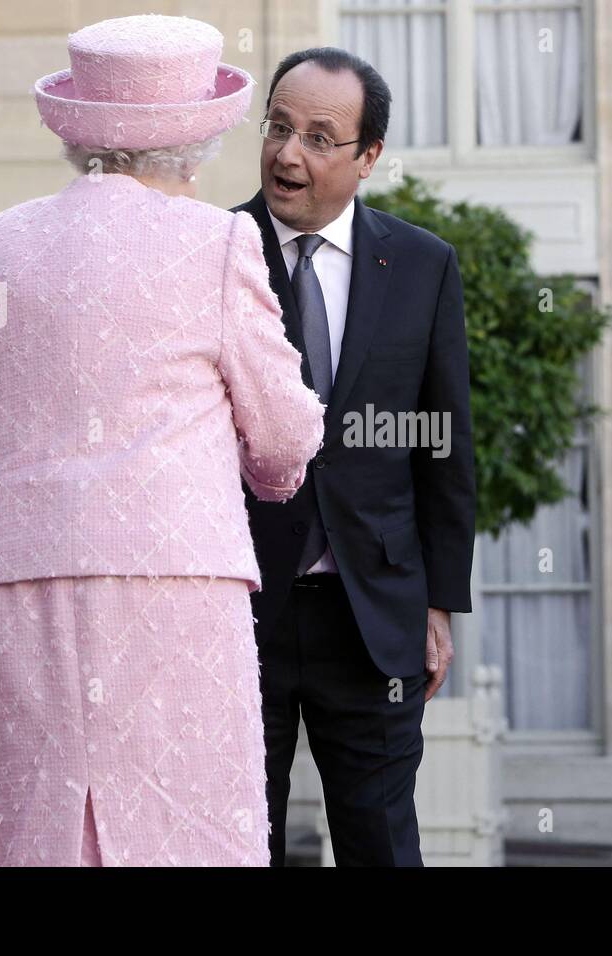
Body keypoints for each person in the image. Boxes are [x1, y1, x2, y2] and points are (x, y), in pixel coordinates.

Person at [0, 14, 324, 866]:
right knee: (190, 834)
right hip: (178, 583)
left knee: (45, 833)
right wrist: (273, 476)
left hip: (22, 589)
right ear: (196, 146)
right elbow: (284, 431)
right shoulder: (222, 243)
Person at [232, 48, 476, 866]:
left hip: (371, 614)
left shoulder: (422, 264)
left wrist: (438, 603)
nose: (286, 154)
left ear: (368, 158)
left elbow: (444, 444)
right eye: (277, 127)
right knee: (235, 843)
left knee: (381, 845)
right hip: (237, 611)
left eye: (317, 137)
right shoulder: (211, 252)